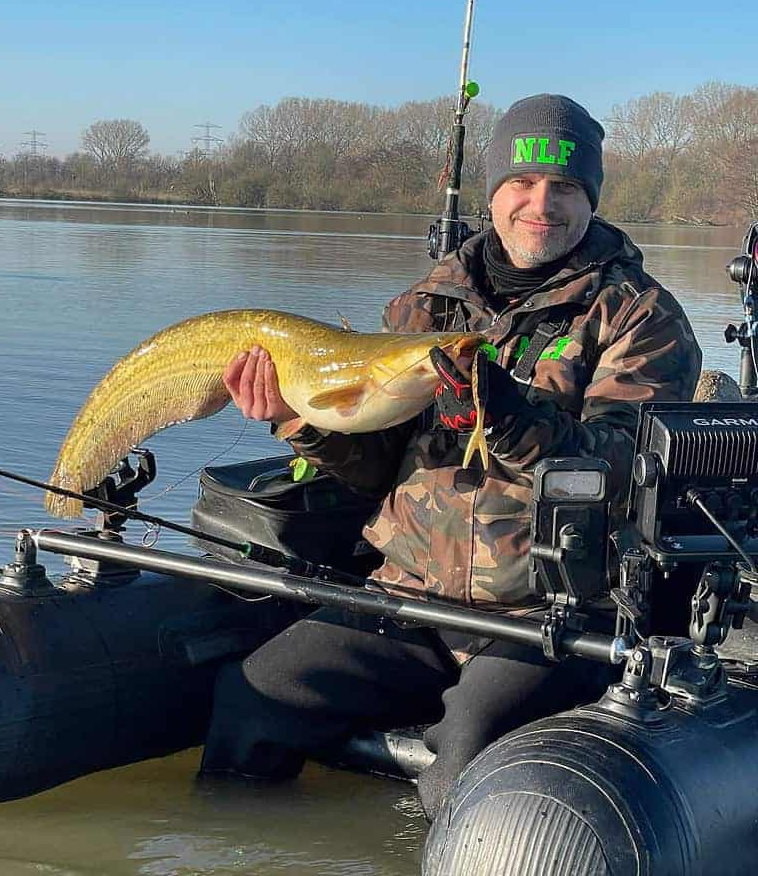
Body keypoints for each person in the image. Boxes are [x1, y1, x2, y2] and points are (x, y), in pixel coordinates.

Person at [201, 94, 702, 820]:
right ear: (495, 192)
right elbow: (375, 467)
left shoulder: (639, 315)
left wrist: (511, 418)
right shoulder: (424, 306)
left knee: (469, 759)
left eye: (564, 187)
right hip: (408, 597)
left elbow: (622, 473)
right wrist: (294, 420)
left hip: (553, 613)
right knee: (252, 697)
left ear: (589, 198)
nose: (541, 204)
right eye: (522, 184)